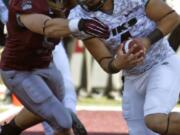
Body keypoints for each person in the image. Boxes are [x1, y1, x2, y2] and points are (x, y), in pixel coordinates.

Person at [68, 0, 180, 135]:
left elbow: (172, 17)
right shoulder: (78, 17)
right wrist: (118, 64)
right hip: (132, 76)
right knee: (140, 132)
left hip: (161, 63)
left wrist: (147, 41)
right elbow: (105, 61)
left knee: (156, 121)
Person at [0, 0, 110, 135]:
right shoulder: (27, 2)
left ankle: (8, 131)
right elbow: (47, 27)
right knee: (63, 122)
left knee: (51, 107)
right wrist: (80, 24)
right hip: (20, 70)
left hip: (46, 64)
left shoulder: (66, 2)